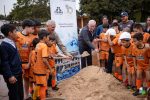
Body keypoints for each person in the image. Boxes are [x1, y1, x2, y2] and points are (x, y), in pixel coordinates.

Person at [0, 24, 24, 100]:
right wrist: (10, 75)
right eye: (15, 31)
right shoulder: (4, 45)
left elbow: (15, 58)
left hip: (18, 72)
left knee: (20, 93)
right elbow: (4, 62)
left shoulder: (12, 42)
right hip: (12, 75)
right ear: (10, 33)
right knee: (14, 94)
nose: (16, 33)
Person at [16, 19, 35, 100]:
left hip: (28, 62)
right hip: (18, 62)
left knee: (28, 79)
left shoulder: (32, 37)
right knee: (18, 80)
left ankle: (27, 96)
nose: (33, 30)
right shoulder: (17, 35)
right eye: (32, 28)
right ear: (26, 27)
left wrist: (29, 63)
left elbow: (32, 51)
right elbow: (15, 50)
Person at [33, 30, 52, 100]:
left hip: (36, 69)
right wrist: (50, 69)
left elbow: (39, 56)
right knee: (43, 87)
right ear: (44, 37)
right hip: (41, 70)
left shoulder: (38, 44)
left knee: (37, 85)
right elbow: (44, 60)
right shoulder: (44, 46)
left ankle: (34, 98)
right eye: (48, 37)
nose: (48, 39)